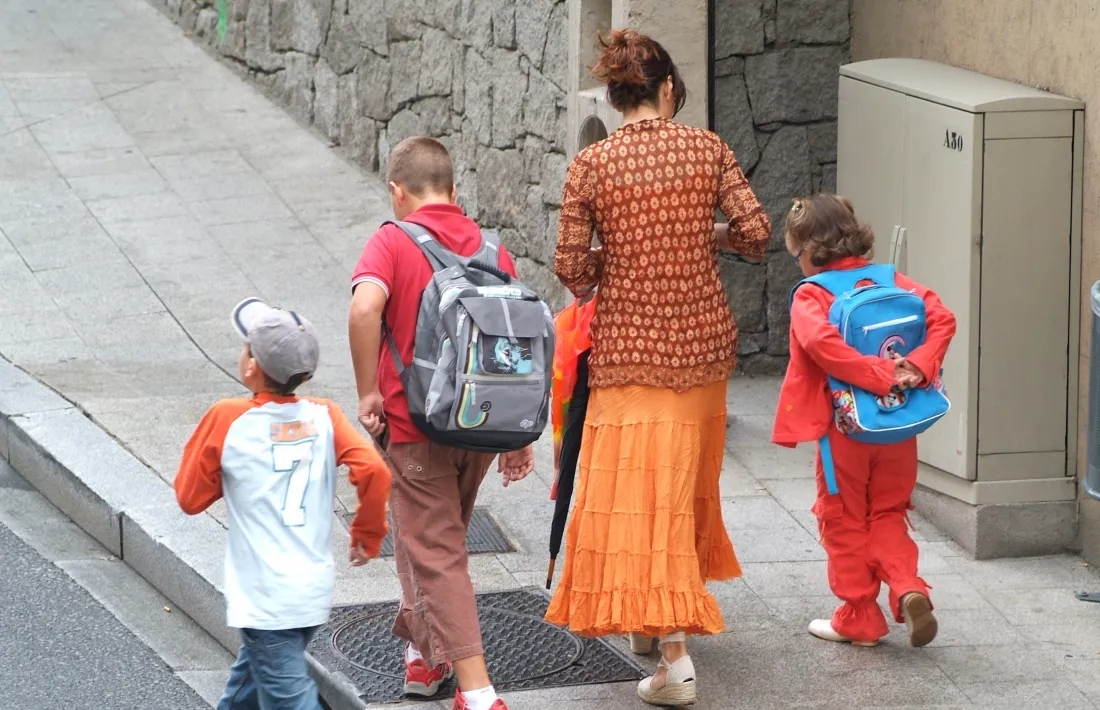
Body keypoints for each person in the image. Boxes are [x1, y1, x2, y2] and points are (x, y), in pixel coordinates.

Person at [544, 29, 772, 707]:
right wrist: (704, 234)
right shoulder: (708, 148)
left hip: (632, 350)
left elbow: (571, 267)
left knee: (639, 493)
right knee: (676, 488)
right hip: (702, 348)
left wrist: (624, 253)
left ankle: (674, 658)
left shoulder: (593, 164)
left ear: (616, 98)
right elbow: (757, 234)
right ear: (668, 88)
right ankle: (653, 623)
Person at [348, 136, 534, 710]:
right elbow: (514, 338)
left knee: (437, 553)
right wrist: (515, 436)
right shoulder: (493, 248)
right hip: (478, 426)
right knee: (424, 537)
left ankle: (478, 694)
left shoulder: (391, 240)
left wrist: (368, 391)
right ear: (455, 191)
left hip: (416, 426)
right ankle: (426, 662)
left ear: (396, 192)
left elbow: (363, 309)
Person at [175, 298, 392, 710]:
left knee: (290, 699)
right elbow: (375, 471)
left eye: (245, 348)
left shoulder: (227, 417)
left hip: (263, 594)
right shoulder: (325, 414)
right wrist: (367, 532)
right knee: (250, 681)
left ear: (251, 366)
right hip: (310, 590)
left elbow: (189, 498)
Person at [771, 194, 956, 648]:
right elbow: (943, 318)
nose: (798, 265)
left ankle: (860, 617)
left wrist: (875, 376)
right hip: (899, 425)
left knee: (844, 517)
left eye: (796, 256)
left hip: (846, 430)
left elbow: (819, 343)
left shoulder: (812, 295)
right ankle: (908, 585)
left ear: (811, 252)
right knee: (889, 510)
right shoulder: (893, 279)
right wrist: (915, 366)